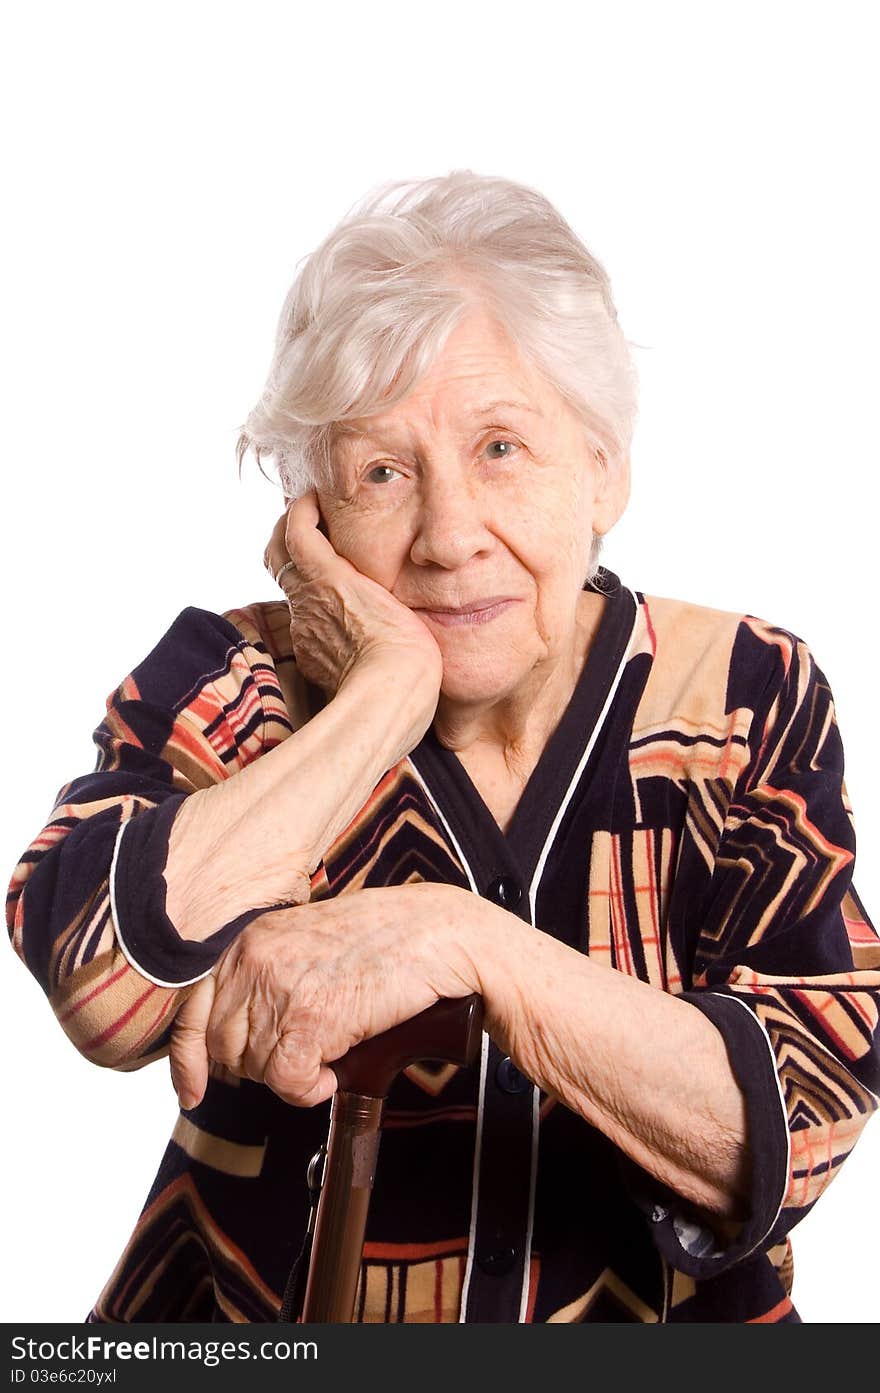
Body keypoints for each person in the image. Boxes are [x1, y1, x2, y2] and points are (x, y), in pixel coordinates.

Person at [7, 170, 879, 1325]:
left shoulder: (738, 696)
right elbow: (99, 989)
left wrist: (470, 946)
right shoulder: (238, 682)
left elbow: (800, 1116)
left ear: (603, 469)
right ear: (306, 513)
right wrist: (387, 688)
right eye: (380, 473)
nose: (449, 535)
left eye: (503, 448)